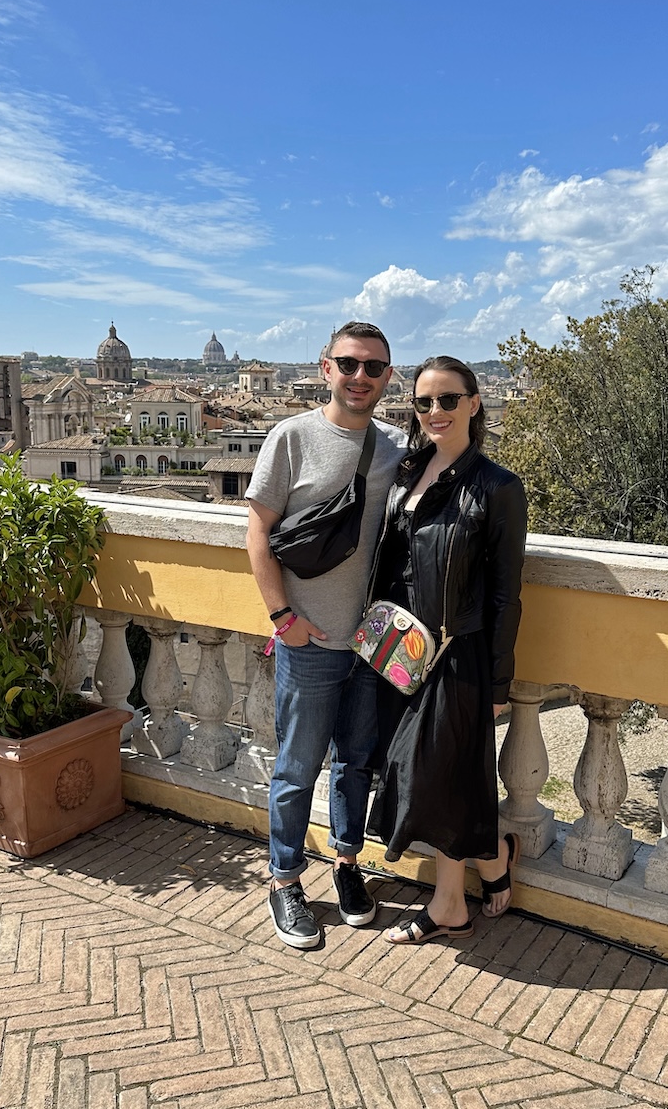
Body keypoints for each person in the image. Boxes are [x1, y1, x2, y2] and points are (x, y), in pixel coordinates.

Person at [246, 322, 407, 949]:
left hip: (371, 643)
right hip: (308, 640)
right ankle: (284, 879)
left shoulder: (396, 447)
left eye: (373, 367)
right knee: (297, 768)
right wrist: (283, 619)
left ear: (388, 377)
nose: (360, 376)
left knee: (355, 764)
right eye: (348, 364)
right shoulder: (290, 437)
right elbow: (258, 533)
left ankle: (345, 864)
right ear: (325, 368)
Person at [366, 355, 527, 944]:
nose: (435, 411)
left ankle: (449, 906)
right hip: (401, 649)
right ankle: (492, 857)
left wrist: (499, 683)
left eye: (448, 399)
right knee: (435, 772)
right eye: (424, 401)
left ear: (474, 403)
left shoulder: (498, 487)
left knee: (434, 774)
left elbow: (507, 595)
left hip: (457, 654)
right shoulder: (407, 471)